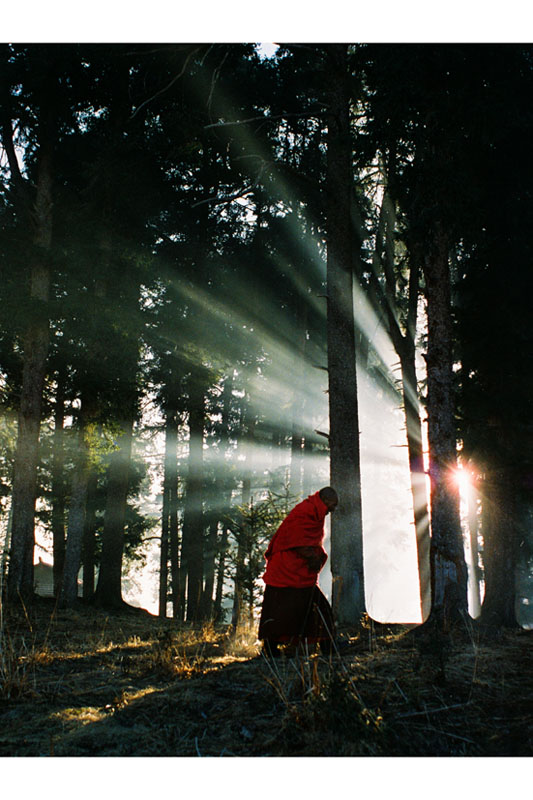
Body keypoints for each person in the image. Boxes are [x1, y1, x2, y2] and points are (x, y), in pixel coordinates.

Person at [258, 486, 338, 657]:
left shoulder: (315, 512)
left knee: (316, 608)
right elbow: (297, 540)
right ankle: (270, 650)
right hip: (284, 571)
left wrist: (315, 556)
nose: (332, 510)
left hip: (299, 571)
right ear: (323, 501)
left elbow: (308, 541)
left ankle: (328, 647)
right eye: (331, 505)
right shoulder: (304, 512)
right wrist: (313, 557)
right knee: (279, 611)